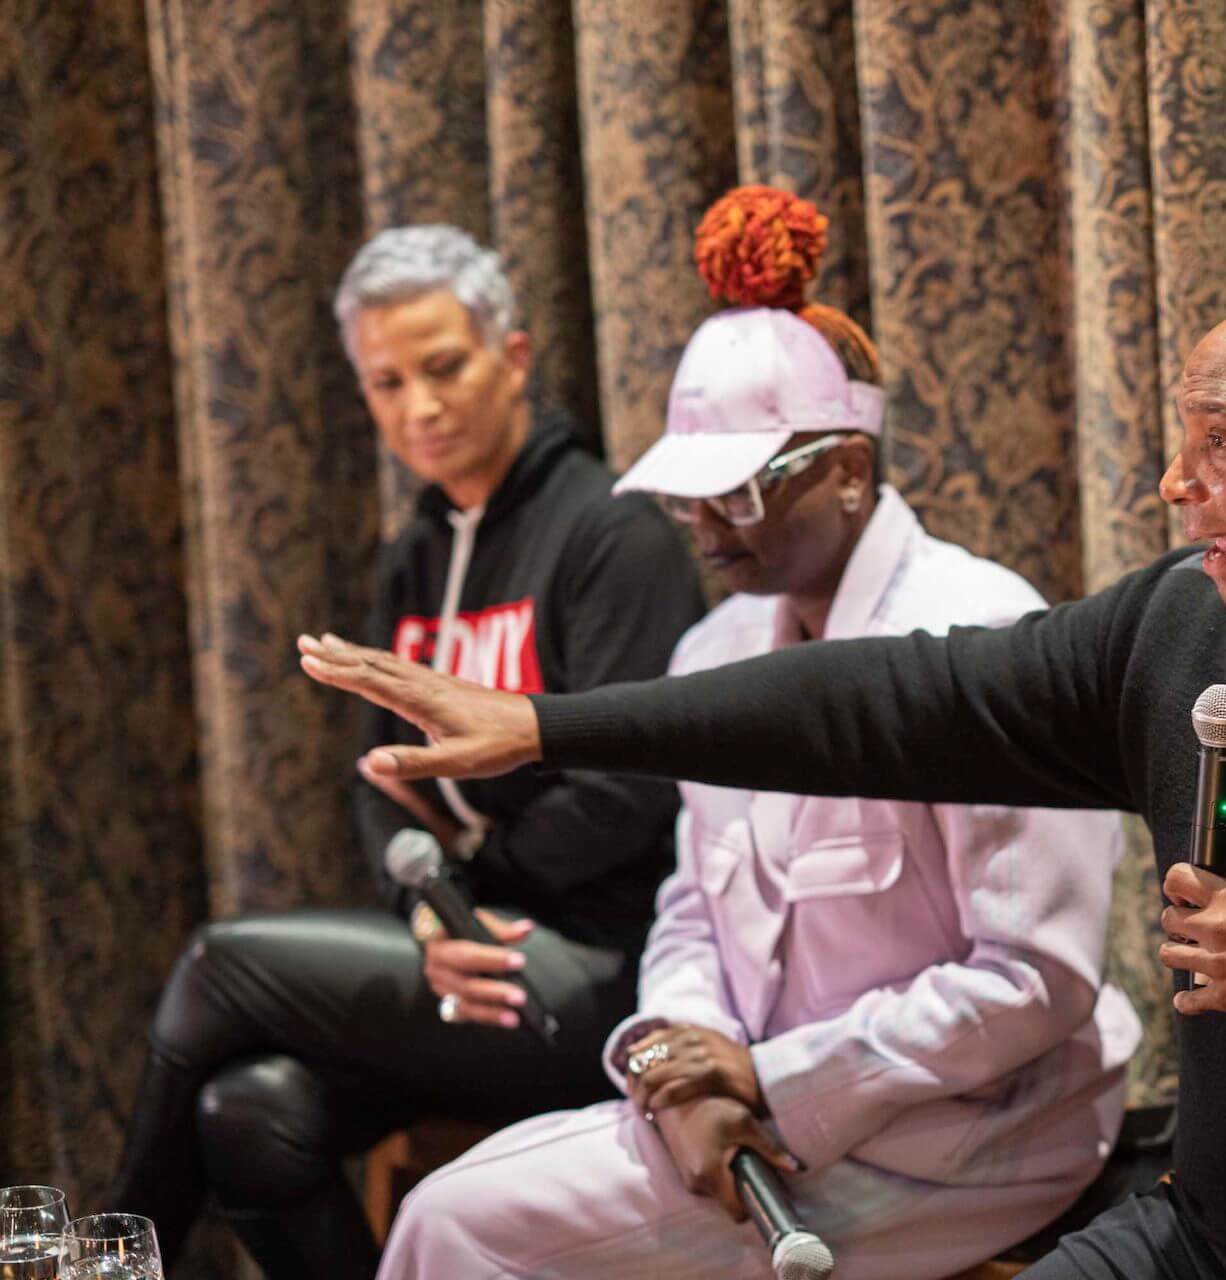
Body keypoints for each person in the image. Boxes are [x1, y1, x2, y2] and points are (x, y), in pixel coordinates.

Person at [301, 289, 1226, 1280]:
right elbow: (892, 699)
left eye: (1215, 448)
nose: (1171, 486)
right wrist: (550, 726)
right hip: (1225, 1239)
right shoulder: (1193, 625)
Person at [370, 185, 1142, 1280]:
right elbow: (692, 907)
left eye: (736, 494)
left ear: (848, 469)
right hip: (752, 1100)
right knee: (455, 1202)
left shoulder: (983, 633)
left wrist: (773, 1074)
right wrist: (676, 1063)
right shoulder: (714, 650)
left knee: (456, 1225)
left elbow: (1035, 976)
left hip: (976, 1124)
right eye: (689, 497)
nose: (702, 526)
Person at [110, 225, 706, 1279]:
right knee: (248, 1111)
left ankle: (105, 1256)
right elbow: (381, 782)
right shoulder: (413, 556)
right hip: (468, 956)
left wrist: (468, 889)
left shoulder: (615, 534)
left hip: (607, 970)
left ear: (512, 357)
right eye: (385, 383)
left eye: (443, 367)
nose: (418, 407)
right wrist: (430, 908)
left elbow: (630, 787)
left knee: (222, 960)